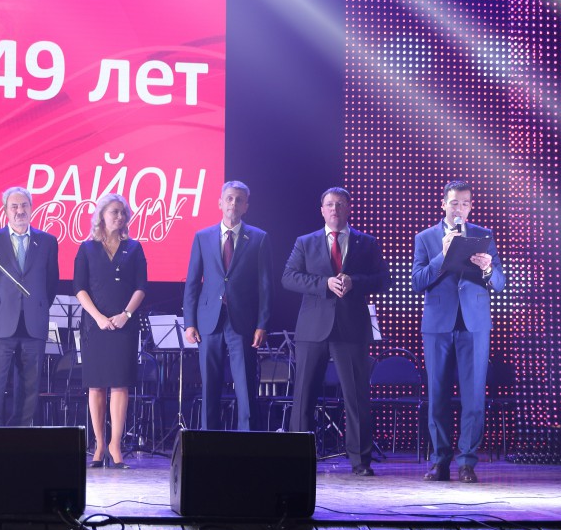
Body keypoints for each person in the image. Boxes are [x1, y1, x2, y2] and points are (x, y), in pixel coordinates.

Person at [282, 187, 390, 476]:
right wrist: (324, 284)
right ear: (322, 210)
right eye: (329, 204)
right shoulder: (305, 242)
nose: (334, 209)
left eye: (340, 204)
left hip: (351, 327)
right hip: (312, 327)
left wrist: (355, 282)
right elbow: (288, 277)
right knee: (304, 394)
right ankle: (298, 456)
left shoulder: (367, 242)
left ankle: (360, 460)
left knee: (356, 395)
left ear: (348, 208)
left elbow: (384, 279)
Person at [412, 180, 505, 483]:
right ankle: (440, 461)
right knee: (437, 394)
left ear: (470, 207)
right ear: (443, 205)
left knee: (474, 396)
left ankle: (467, 462)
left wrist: (488, 268)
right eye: (454, 203)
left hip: (474, 323)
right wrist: (442, 254)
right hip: (438, 324)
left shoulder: (484, 236)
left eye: (465, 203)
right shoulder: (425, 237)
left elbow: (500, 283)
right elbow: (417, 281)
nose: (459, 209)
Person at [183, 180, 273, 431]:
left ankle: (246, 440)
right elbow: (192, 282)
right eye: (229, 198)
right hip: (208, 321)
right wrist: (189, 323)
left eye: (239, 200)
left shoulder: (259, 238)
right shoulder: (202, 237)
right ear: (220, 203)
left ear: (246, 206)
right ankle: (208, 440)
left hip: (242, 321)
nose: (234, 203)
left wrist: (262, 324)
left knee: (245, 384)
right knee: (209, 385)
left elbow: (266, 287)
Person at [73, 193, 147, 469]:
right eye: (114, 212)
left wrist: (125, 315)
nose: (119, 217)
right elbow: (79, 288)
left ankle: (115, 445)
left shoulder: (134, 248)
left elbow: (141, 287)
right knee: (96, 384)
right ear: (102, 215)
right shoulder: (86, 248)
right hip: (95, 326)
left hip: (124, 326)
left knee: (119, 383)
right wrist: (98, 317)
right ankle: (99, 444)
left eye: (123, 212)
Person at [0, 187, 59, 427]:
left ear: (31, 208)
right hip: (0, 323)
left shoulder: (47, 242)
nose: (20, 210)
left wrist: (37, 306)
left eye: (24, 205)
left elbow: (51, 282)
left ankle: (18, 436)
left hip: (34, 323)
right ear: (5, 211)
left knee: (29, 388)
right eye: (14, 206)